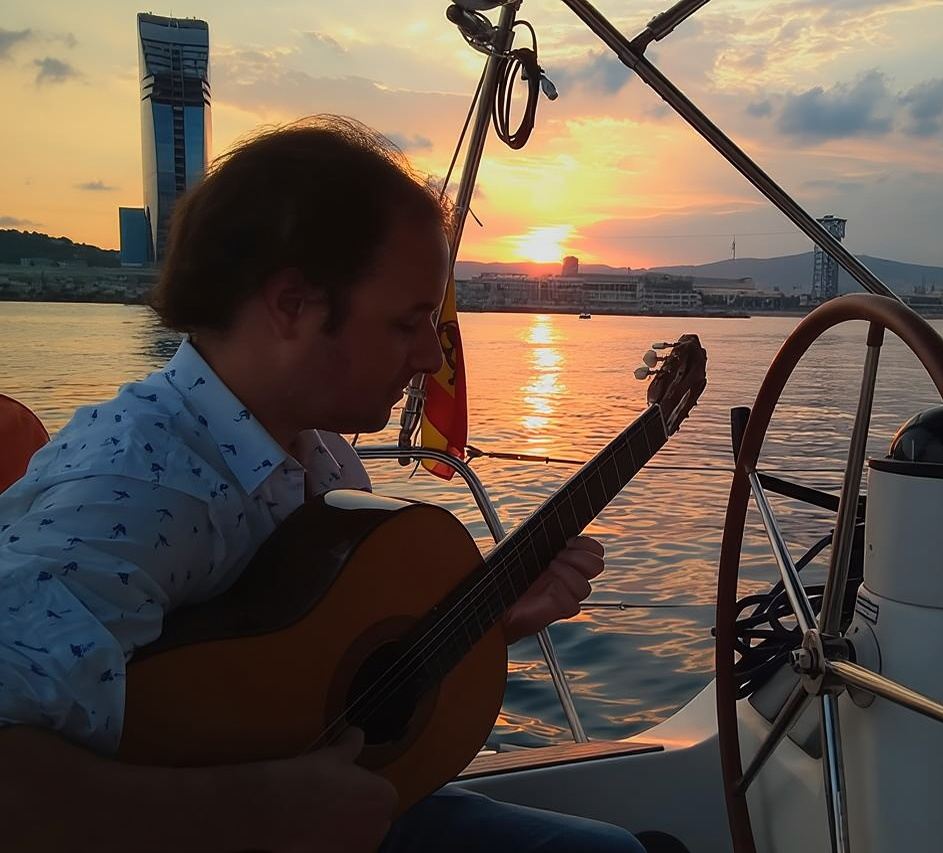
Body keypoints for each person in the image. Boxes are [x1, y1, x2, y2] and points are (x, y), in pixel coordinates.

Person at [0, 116, 646, 853]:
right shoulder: (139, 489)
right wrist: (254, 809)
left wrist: (487, 624)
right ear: (291, 305)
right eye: (408, 323)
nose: (432, 357)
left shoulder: (325, 459)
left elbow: (295, 687)